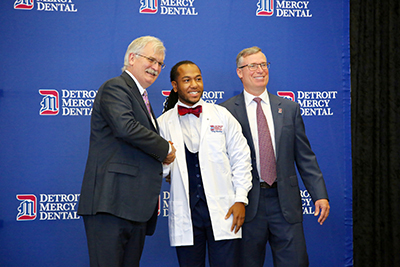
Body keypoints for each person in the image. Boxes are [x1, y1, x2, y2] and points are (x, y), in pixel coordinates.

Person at [221, 47, 330, 267]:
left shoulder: (289, 108)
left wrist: (319, 194)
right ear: (240, 72)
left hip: (285, 204)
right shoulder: (225, 112)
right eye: (252, 65)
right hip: (248, 205)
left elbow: (305, 157)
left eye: (263, 64)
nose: (260, 70)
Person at [77, 36, 176, 267]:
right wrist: (165, 149)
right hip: (111, 202)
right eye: (151, 59)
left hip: (134, 207)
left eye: (161, 63)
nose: (157, 67)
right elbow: (126, 128)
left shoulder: (142, 97)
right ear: (132, 58)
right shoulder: (116, 87)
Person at [157, 60, 253, 267]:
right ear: (175, 86)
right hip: (186, 214)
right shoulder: (162, 123)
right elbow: (158, 170)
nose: (194, 85)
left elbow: (241, 159)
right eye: (187, 80)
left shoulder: (222, 115)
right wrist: (166, 163)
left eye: (198, 79)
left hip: (224, 210)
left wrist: (240, 199)